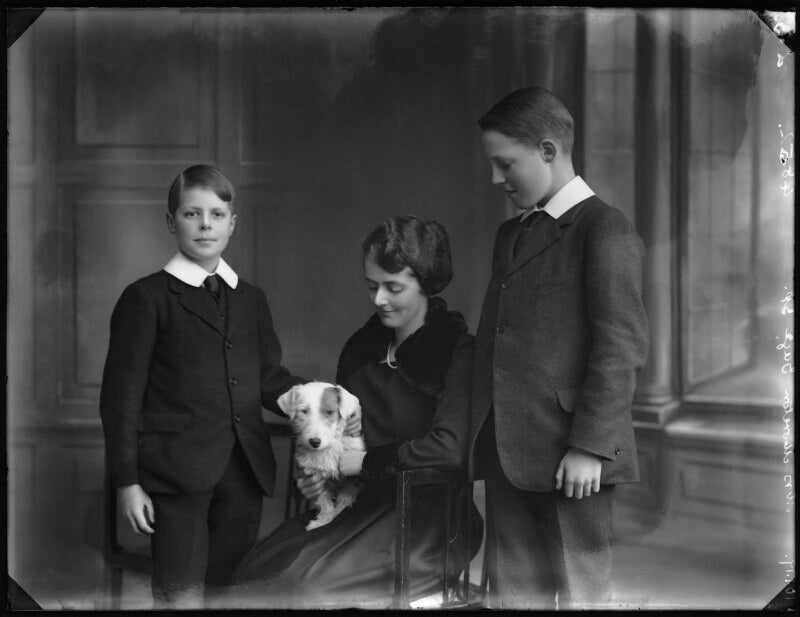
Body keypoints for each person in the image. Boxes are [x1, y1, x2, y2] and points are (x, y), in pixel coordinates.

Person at [99, 165, 360, 607]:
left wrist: (323, 400)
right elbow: (120, 399)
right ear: (171, 222)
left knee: (230, 590)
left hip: (243, 469)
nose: (206, 225)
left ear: (232, 223)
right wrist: (127, 482)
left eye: (217, 215)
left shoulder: (250, 299)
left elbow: (268, 378)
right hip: (176, 472)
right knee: (180, 591)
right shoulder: (146, 298)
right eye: (192, 213)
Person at [230, 215, 483, 609]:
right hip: (357, 503)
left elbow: (450, 448)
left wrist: (366, 461)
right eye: (371, 285)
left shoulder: (458, 353)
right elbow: (337, 435)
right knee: (255, 574)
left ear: (426, 285)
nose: (378, 299)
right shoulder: (362, 349)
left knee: (305, 591)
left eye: (393, 287)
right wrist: (319, 478)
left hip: (427, 519)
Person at [468, 87, 649, 609]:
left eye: (506, 164)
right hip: (508, 448)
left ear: (547, 151)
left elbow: (621, 345)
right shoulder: (511, 234)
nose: (496, 178)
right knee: (510, 594)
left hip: (573, 454)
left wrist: (590, 446)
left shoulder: (604, 228)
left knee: (579, 592)